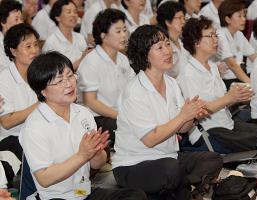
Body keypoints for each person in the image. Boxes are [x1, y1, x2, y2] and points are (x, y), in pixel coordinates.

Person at [112, 25, 223, 199]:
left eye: (167, 44)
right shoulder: (134, 91)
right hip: (133, 164)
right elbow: (150, 139)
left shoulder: (171, 83)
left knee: (213, 159)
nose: (168, 51)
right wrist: (183, 115)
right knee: (171, 170)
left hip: (169, 156)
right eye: (159, 47)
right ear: (144, 55)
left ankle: (179, 189)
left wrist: (192, 116)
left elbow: (182, 129)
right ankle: (186, 189)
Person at [20, 51, 147, 200]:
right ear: (42, 91)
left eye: (70, 76)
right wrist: (82, 155)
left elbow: (96, 164)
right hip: (53, 197)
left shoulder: (83, 113)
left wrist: (97, 152)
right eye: (60, 81)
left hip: (82, 192)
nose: (69, 84)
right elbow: (44, 178)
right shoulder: (34, 126)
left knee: (135, 196)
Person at [177, 17, 257, 153]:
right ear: (196, 42)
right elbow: (197, 112)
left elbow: (221, 102)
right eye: (210, 36)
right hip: (208, 132)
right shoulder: (188, 74)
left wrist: (237, 97)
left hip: (227, 124)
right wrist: (229, 98)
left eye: (216, 35)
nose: (216, 40)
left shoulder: (212, 66)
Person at [78, 8, 135, 146]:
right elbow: (90, 102)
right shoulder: (91, 61)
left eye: (125, 30)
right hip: (98, 119)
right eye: (118, 31)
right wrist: (121, 116)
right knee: (134, 131)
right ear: (103, 35)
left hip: (121, 115)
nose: (124, 35)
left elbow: (133, 89)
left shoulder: (122, 59)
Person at [0, 23, 39, 189]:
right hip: (12, 137)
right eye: (28, 46)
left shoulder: (39, 73)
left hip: (37, 131)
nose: (34, 50)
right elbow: (7, 122)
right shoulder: (4, 79)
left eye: (36, 45)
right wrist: (41, 104)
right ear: (13, 50)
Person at [216, 0, 257, 88]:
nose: (244, 19)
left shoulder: (239, 34)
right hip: (225, 82)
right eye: (239, 16)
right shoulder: (220, 36)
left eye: (244, 16)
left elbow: (254, 57)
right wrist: (250, 83)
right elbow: (232, 65)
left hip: (239, 79)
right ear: (228, 19)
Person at [43, 0, 89, 71]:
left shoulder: (80, 37)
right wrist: (82, 59)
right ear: (57, 17)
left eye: (75, 12)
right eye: (68, 12)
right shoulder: (51, 43)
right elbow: (57, 73)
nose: (73, 15)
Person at [156, 1, 189, 78]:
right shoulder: (162, 46)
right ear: (168, 22)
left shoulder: (181, 42)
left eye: (184, 18)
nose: (183, 22)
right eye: (179, 18)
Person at [0, 0, 23, 70]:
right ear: (3, 22)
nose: (21, 23)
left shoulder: (21, 38)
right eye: (16, 20)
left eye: (21, 19)